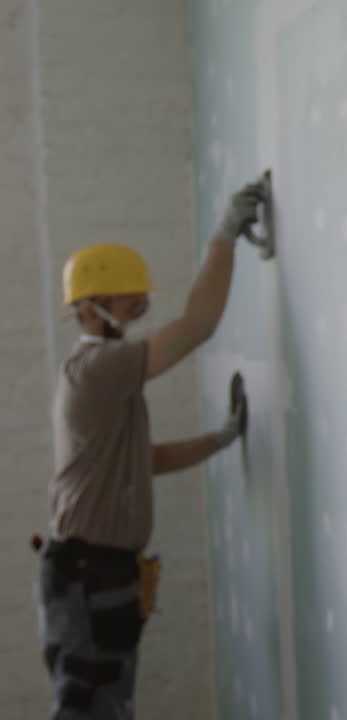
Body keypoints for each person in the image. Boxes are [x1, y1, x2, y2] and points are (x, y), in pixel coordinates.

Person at [36, 178, 266, 719]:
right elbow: (198, 326)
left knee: (106, 706)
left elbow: (147, 462)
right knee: (92, 708)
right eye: (129, 302)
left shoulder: (104, 378)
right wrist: (226, 236)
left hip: (95, 573)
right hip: (88, 576)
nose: (140, 308)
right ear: (93, 309)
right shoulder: (97, 368)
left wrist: (223, 437)